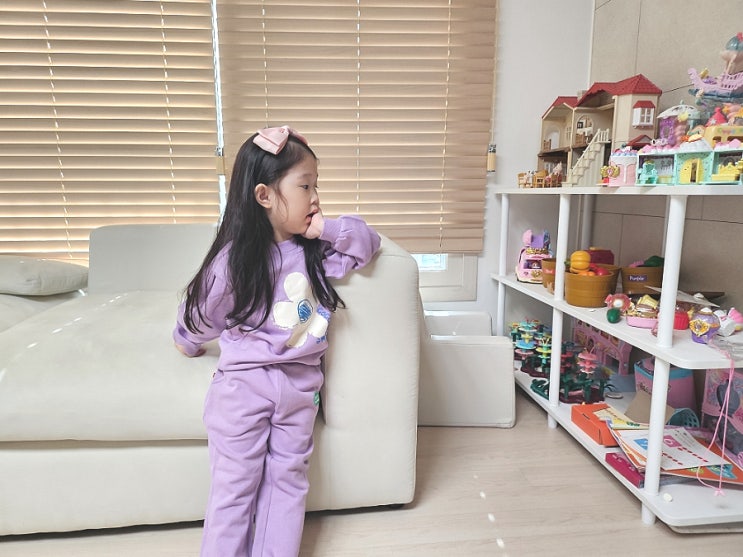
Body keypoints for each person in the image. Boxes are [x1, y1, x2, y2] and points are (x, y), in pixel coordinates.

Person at [173, 125, 381, 556]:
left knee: (288, 484)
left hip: (300, 389)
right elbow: (202, 313)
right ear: (264, 195)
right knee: (235, 488)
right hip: (242, 388)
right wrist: (186, 341)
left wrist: (326, 228)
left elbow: (367, 242)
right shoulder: (234, 260)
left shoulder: (316, 253)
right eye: (305, 186)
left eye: (317, 186)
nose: (315, 197)